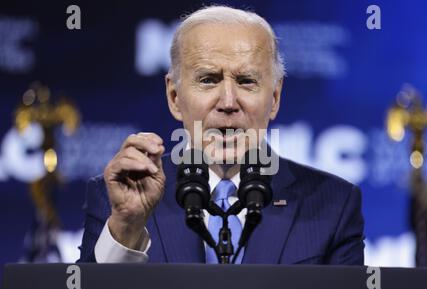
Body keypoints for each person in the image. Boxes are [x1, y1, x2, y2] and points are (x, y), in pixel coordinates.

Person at [78, 5, 365, 264]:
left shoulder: (333, 204)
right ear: (174, 97)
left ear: (275, 98)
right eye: (208, 80)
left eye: (246, 81)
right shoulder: (119, 199)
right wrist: (126, 229)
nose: (228, 101)